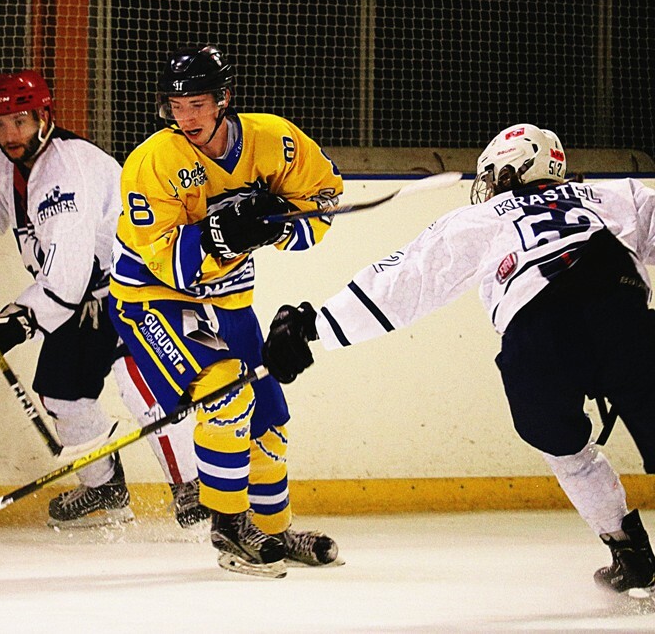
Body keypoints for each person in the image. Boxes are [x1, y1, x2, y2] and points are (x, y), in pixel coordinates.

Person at [262, 123, 655, 594]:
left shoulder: (483, 218)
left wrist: (315, 325)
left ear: (510, 171)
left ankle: (629, 552)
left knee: (563, 446)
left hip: (538, 332)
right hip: (621, 308)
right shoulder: (615, 194)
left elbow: (407, 279)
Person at [0, 70, 207, 529]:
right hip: (83, 295)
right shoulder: (6, 162)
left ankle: (196, 487)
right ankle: (104, 490)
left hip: (135, 285)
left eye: (20, 121)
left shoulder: (66, 171)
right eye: (0, 124)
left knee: (139, 380)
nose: (10, 135)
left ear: (44, 117)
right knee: (61, 392)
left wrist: (16, 323)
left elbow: (66, 277)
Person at [108, 45, 344, 577]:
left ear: (224, 100)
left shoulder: (273, 140)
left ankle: (273, 528)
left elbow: (324, 198)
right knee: (226, 389)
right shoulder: (153, 161)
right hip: (154, 299)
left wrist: (280, 224)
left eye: (196, 104)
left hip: (231, 298)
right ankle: (229, 525)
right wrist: (222, 233)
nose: (186, 117)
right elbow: (166, 262)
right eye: (176, 106)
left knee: (269, 418)